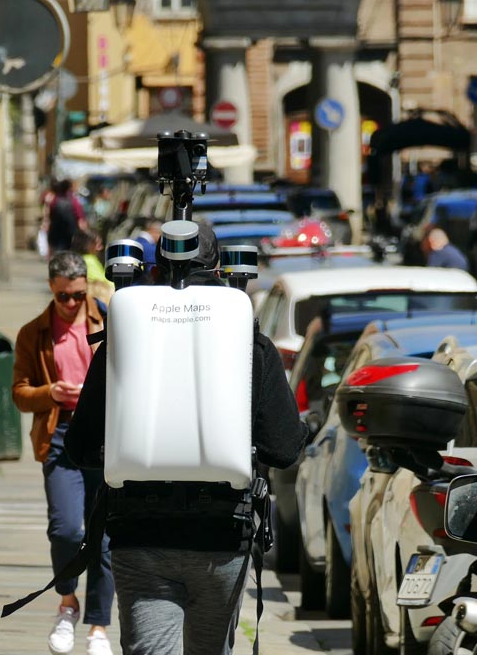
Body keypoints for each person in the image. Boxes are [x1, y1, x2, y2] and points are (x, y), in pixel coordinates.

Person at [65, 223, 307, 655]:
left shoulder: (123, 339)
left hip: (140, 533)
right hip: (222, 536)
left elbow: (81, 447)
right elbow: (285, 449)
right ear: (222, 271)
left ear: (154, 269)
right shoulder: (251, 345)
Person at [12, 252, 115, 655]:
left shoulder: (109, 322)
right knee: (66, 529)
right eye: (62, 297)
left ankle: (99, 627)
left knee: (102, 537)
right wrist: (50, 393)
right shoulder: (34, 333)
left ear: (85, 288)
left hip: (104, 436)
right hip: (60, 434)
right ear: (52, 290)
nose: (70, 304)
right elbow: (20, 394)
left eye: (76, 295)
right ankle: (68, 602)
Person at [74, 228, 115, 305]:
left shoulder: (82, 259)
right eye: (98, 245)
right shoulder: (88, 261)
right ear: (87, 245)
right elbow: (102, 283)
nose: (101, 248)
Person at [47, 180, 88, 253]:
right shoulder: (73, 201)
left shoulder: (55, 200)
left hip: (57, 232)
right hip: (71, 232)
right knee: (70, 251)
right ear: (69, 188)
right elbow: (80, 217)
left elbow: (50, 216)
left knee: (59, 252)